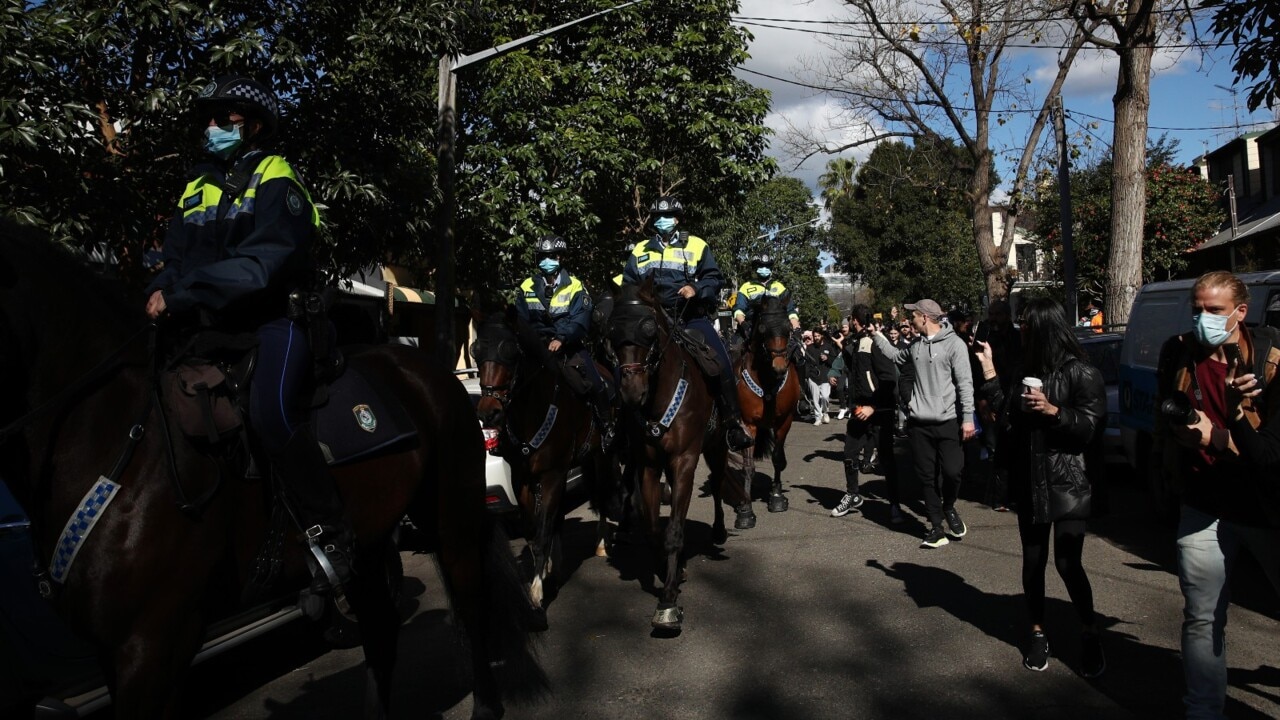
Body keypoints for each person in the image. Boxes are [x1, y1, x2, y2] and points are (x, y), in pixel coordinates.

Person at [143, 76, 353, 599]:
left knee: (270, 412)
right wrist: (161, 290)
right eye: (207, 119)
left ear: (253, 125)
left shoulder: (276, 174)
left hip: (274, 322)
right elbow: (172, 259)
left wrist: (185, 293)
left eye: (224, 117)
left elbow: (263, 264)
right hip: (208, 326)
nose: (211, 127)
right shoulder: (195, 184)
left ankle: (331, 531)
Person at [1154, 270, 1280, 719]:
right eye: (1197, 309)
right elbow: (1164, 414)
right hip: (1203, 502)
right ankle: (1204, 710)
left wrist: (1215, 438)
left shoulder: (1270, 357)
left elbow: (1272, 453)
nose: (1202, 318)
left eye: (1215, 311)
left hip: (1266, 507)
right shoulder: (1179, 351)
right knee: (1202, 616)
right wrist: (1179, 438)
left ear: (1241, 312)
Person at [974, 298, 1107, 677]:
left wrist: (1054, 412)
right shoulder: (1022, 369)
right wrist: (988, 371)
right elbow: (1006, 414)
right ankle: (1036, 632)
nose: (1021, 330)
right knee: (1033, 563)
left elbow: (1091, 427)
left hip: (1069, 481)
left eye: (1028, 325)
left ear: (1046, 328)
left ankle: (1089, 630)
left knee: (1068, 563)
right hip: (1030, 479)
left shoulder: (1081, 372)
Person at [622, 196, 753, 450]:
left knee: (721, 360)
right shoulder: (640, 250)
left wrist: (696, 288)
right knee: (625, 361)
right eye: (657, 217)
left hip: (690, 318)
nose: (661, 221)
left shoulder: (697, 245)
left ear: (678, 219)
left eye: (667, 216)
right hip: (653, 322)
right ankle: (621, 428)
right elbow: (629, 285)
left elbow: (714, 279)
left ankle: (732, 423)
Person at [872, 298, 975, 548]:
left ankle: (948, 506)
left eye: (913, 316)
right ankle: (936, 527)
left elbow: (964, 383)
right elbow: (897, 357)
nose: (910, 321)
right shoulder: (916, 346)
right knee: (926, 477)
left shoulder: (955, 345)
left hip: (948, 421)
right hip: (919, 423)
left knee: (953, 472)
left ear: (925, 318)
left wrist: (969, 418)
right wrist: (878, 338)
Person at [515, 234, 615, 447]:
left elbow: (581, 320)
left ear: (560, 258)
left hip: (569, 348)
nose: (546, 261)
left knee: (597, 383)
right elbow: (520, 320)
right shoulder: (526, 287)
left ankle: (607, 427)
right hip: (537, 348)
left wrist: (561, 338)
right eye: (542, 256)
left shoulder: (576, 286)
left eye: (550, 256)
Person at [831, 305, 900, 521]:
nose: (849, 324)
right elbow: (856, 371)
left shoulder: (875, 342)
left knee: (886, 459)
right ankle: (852, 494)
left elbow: (889, 378)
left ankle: (895, 504)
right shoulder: (856, 342)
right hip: (859, 410)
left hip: (880, 411)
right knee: (850, 454)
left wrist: (874, 406)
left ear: (854, 320)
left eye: (850, 320)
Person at [732, 253, 801, 337]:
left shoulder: (779, 287)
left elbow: (791, 310)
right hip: (751, 327)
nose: (764, 268)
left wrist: (796, 328)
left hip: (777, 329)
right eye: (761, 266)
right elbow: (739, 309)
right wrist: (743, 324)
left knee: (795, 348)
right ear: (755, 267)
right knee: (735, 348)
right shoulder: (746, 287)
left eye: (767, 266)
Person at [806, 327, 836, 425]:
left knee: (825, 397)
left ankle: (825, 412)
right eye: (815, 336)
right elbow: (806, 362)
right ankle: (818, 417)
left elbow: (834, 361)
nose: (817, 338)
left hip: (825, 376)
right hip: (813, 377)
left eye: (818, 336)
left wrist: (827, 358)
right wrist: (808, 375)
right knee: (815, 399)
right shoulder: (810, 348)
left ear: (822, 336)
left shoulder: (828, 346)